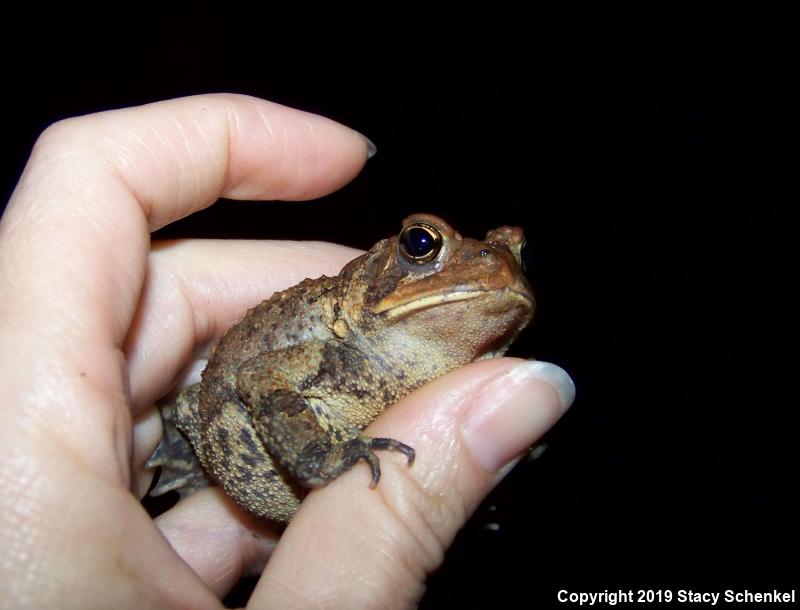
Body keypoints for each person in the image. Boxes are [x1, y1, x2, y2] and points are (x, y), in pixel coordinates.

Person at [0, 94, 574, 608]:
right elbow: (260, 380)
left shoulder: (478, 361)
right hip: (229, 428)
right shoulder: (347, 352)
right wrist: (320, 461)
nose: (496, 268)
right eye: (424, 247)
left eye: (515, 256)